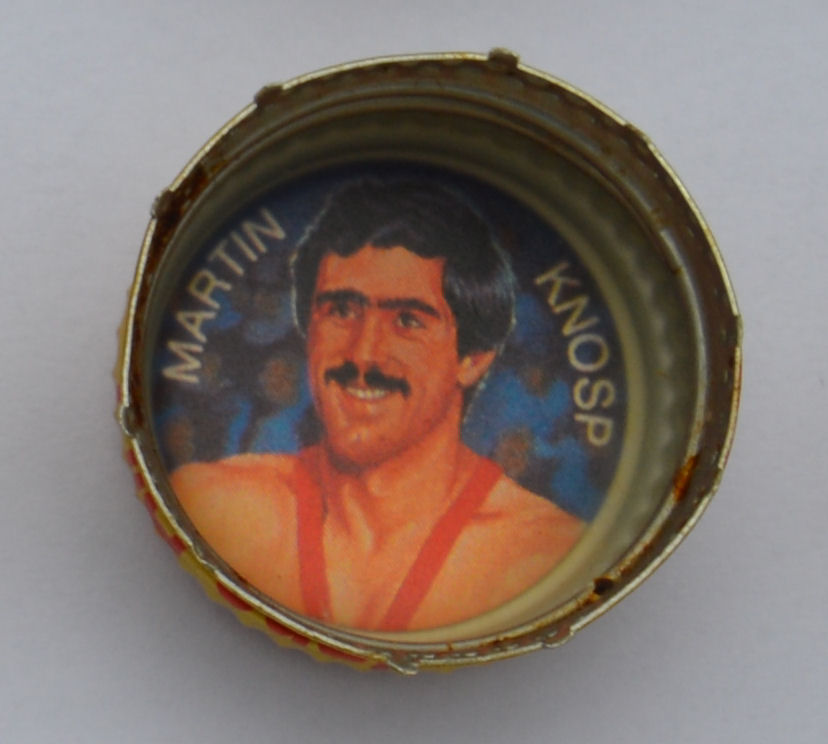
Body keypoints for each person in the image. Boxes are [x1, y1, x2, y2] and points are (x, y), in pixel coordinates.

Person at [171, 178, 583, 631]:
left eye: (407, 320)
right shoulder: (210, 504)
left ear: (473, 359)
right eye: (341, 311)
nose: (364, 354)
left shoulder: (547, 556)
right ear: (308, 329)